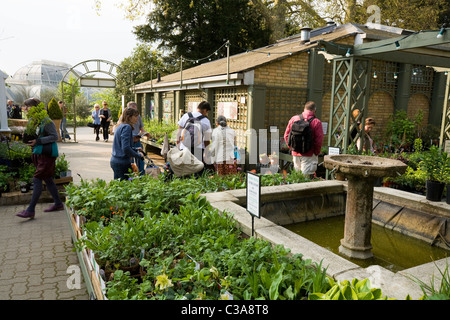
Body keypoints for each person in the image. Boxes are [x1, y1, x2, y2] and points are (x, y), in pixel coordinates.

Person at [16, 98, 64, 219]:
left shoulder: (46, 120)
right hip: (38, 154)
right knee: (47, 179)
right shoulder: (33, 120)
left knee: (37, 179)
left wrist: (38, 141)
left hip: (47, 155)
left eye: (28, 106)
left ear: (36, 107)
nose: (25, 109)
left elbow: (54, 136)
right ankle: (58, 204)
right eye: (24, 106)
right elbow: (35, 134)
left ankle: (30, 210)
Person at [284, 101, 324, 178]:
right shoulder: (317, 122)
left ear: (304, 108)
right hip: (309, 154)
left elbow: (286, 135)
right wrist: (316, 152)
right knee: (306, 179)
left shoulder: (294, 119)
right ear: (314, 110)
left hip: (295, 154)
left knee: (297, 177)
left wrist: (292, 148)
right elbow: (318, 141)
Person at [110, 107, 145, 180]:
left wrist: (135, 149)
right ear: (129, 117)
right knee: (125, 186)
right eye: (135, 116)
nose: (137, 119)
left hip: (115, 160)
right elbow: (125, 148)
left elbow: (122, 146)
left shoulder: (120, 126)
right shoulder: (127, 127)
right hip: (122, 162)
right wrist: (138, 155)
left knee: (118, 186)